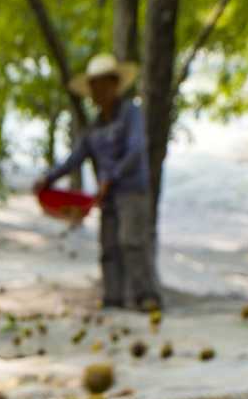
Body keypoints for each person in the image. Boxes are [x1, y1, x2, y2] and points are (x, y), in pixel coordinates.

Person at [35, 53, 161, 310]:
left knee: (131, 241)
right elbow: (75, 159)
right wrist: (48, 179)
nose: (97, 90)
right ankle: (113, 297)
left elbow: (136, 150)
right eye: (93, 85)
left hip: (131, 191)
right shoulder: (93, 128)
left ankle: (146, 296)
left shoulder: (130, 113)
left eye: (103, 84)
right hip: (107, 196)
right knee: (109, 246)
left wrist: (111, 177)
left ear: (115, 85)